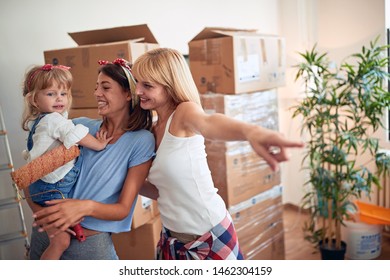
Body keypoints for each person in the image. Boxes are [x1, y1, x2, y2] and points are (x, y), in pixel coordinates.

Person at [131, 48, 305, 260]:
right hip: (172, 238)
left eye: (147, 85)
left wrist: (252, 132)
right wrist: (128, 179)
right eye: (137, 82)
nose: (138, 90)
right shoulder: (152, 130)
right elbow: (162, 191)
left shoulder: (184, 113)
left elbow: (209, 123)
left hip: (208, 235)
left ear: (169, 86)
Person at [26, 58, 155, 260]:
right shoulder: (78, 127)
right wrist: (44, 218)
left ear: (128, 94)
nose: (96, 93)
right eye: (96, 87)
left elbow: (122, 209)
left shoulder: (141, 141)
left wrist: (83, 207)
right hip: (48, 236)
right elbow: (30, 177)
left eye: (105, 87)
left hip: (90, 246)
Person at [21, 64, 113, 260]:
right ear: (35, 99)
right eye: (51, 94)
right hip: (55, 188)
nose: (59, 98)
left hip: (42, 187)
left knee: (61, 236)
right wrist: (99, 144)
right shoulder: (54, 120)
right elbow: (76, 134)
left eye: (63, 93)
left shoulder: (39, 122)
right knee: (61, 241)